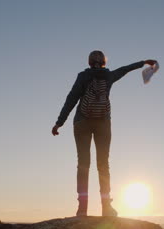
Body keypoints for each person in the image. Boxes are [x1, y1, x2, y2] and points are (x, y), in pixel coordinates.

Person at [52, 50, 157, 217]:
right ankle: (106, 207)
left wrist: (59, 122)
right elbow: (125, 69)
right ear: (104, 62)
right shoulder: (109, 76)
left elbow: (71, 98)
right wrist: (143, 62)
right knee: (103, 164)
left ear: (89, 62)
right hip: (103, 123)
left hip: (82, 122)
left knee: (83, 164)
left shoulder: (82, 76)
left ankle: (82, 208)